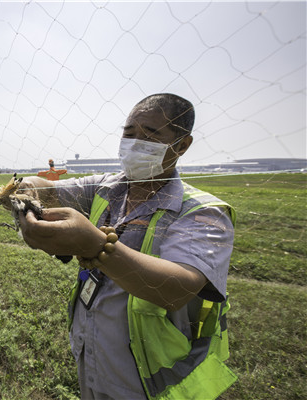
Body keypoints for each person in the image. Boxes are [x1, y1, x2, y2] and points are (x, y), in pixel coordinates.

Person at [16, 94, 237, 399]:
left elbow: (177, 290)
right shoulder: (107, 187)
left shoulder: (204, 212)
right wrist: (26, 190)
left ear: (182, 145)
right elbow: (49, 190)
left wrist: (95, 246)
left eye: (151, 135)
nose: (134, 144)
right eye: (129, 134)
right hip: (93, 354)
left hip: (151, 377)